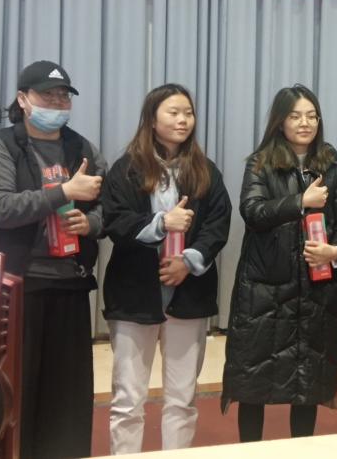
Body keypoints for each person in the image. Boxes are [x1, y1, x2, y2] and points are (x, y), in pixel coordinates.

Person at [0, 60, 105, 459]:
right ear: (23, 100)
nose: (57, 103)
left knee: (68, 396)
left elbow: (110, 205)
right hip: (16, 287)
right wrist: (64, 193)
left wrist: (91, 223)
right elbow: (0, 208)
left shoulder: (82, 148)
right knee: (16, 389)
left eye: (63, 96)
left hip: (71, 282)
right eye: (48, 95)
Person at [221, 85, 337, 442]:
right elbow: (253, 212)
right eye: (296, 116)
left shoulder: (331, 169)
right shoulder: (260, 164)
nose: (305, 123)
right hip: (264, 292)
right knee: (254, 382)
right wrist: (300, 201)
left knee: (307, 382)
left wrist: (335, 251)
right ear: (280, 121)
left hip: (316, 291)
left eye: (312, 116)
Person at [101, 84, 231, 452]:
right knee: (128, 399)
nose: (183, 120)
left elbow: (218, 223)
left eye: (188, 113)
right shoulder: (127, 168)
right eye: (173, 112)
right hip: (134, 294)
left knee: (182, 399)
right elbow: (115, 220)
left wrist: (188, 262)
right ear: (152, 119)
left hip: (188, 294)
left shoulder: (205, 170)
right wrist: (162, 223)